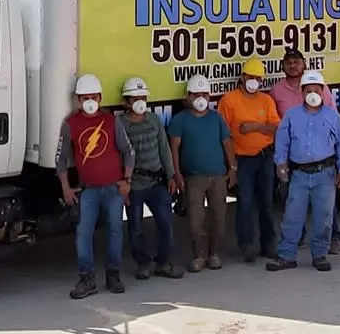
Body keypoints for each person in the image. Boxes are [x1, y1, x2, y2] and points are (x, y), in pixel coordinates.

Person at [56, 73, 135, 299]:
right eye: (84, 97)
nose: (89, 101)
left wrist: (127, 181)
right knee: (83, 233)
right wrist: (65, 187)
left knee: (115, 230)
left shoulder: (111, 121)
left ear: (100, 97)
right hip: (88, 190)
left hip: (113, 188)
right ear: (78, 99)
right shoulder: (70, 124)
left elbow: (128, 151)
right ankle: (87, 278)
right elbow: (61, 159)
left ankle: (113, 275)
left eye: (93, 96)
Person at [267, 70, 340, 273]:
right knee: (292, 217)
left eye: (316, 89)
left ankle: (319, 255)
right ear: (302, 93)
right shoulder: (291, 116)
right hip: (300, 175)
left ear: (323, 92)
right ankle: (286, 256)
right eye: (308, 90)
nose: (312, 93)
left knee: (324, 216)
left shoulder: (333, 117)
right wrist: (280, 163)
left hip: (326, 174)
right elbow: (282, 141)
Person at [117, 76, 184, 280]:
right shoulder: (120, 124)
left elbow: (164, 149)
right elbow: (118, 156)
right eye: (135, 97)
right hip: (134, 184)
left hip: (157, 182)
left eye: (143, 97)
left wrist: (171, 175)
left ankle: (163, 262)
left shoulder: (154, 120)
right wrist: (123, 184)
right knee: (135, 228)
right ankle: (143, 263)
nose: (140, 101)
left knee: (165, 222)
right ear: (126, 101)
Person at [169, 74, 237, 273]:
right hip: (193, 178)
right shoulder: (180, 120)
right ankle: (199, 255)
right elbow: (174, 148)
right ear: (188, 97)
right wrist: (177, 174)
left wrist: (232, 168)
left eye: (205, 94)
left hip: (217, 176)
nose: (201, 99)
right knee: (195, 220)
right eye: (196, 94)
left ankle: (214, 254)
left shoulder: (216, 118)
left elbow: (227, 143)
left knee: (219, 217)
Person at [218, 58, 281, 262]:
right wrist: (230, 165)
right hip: (243, 160)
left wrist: (254, 127)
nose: (253, 81)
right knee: (244, 202)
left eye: (257, 78)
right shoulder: (229, 100)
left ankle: (268, 243)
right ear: (242, 77)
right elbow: (223, 134)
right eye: (250, 77)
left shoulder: (266, 100)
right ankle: (246, 244)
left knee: (266, 202)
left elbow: (276, 127)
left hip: (265, 156)